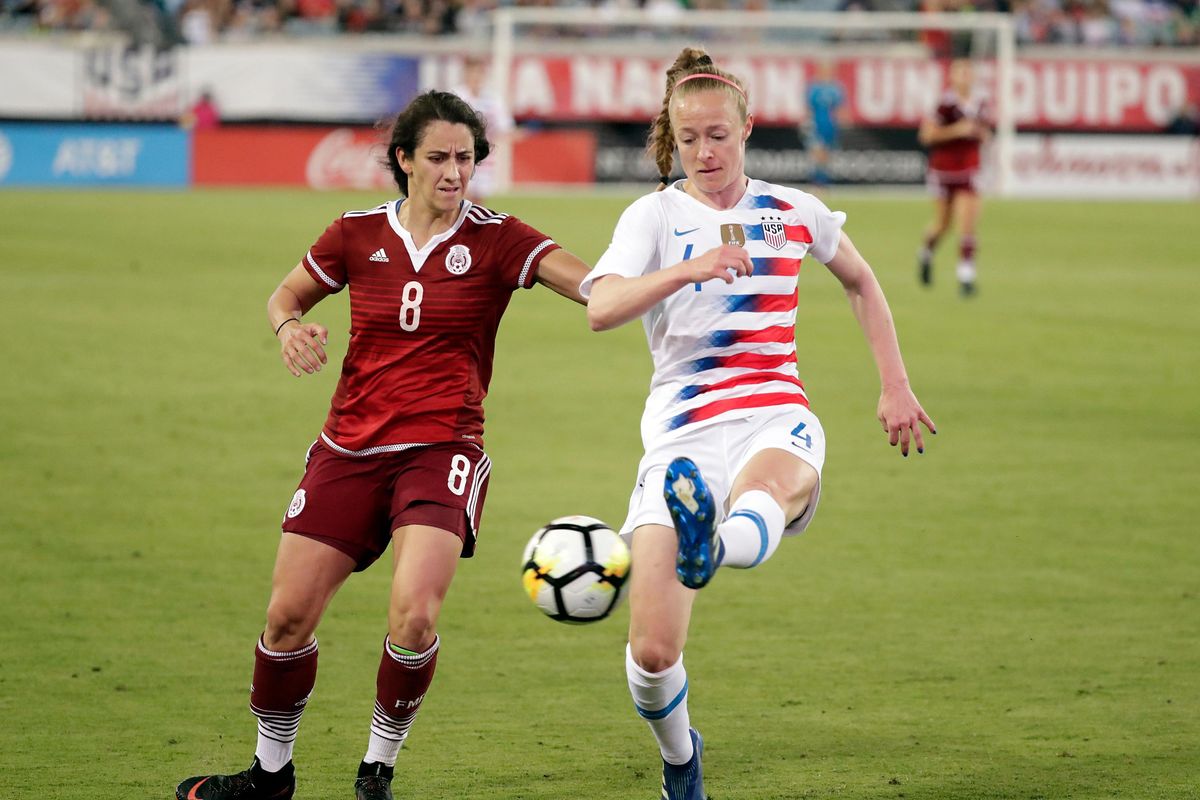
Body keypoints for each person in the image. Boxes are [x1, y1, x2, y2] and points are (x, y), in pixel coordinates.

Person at [174, 90, 590, 800]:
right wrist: (288, 329)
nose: (455, 172)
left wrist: (677, 278)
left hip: (442, 448)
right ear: (405, 160)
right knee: (285, 618)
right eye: (439, 157)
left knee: (415, 613)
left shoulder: (500, 238)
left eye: (466, 157)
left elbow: (596, 288)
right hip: (348, 448)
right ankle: (270, 775)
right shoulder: (355, 233)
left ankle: (376, 769)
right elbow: (285, 296)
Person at [580, 48, 935, 800]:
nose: (704, 153)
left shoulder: (793, 210)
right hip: (680, 438)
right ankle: (681, 758)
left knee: (767, 493)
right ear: (670, 140)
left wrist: (895, 384)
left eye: (718, 135)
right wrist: (687, 268)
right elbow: (601, 309)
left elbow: (861, 282)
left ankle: (711, 541)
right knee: (649, 653)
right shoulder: (653, 216)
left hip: (773, 412)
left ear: (748, 128)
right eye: (688, 140)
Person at [916, 57, 991, 297]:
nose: (965, 77)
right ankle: (926, 253)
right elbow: (927, 136)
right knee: (942, 225)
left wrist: (980, 133)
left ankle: (966, 277)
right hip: (943, 170)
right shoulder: (944, 105)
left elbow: (985, 134)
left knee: (968, 223)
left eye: (969, 72)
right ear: (952, 77)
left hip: (969, 168)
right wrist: (956, 130)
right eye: (961, 72)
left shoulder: (980, 104)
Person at [450, 55, 516, 204]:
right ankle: (458, 226)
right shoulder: (456, 96)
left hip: (484, 158)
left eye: (479, 73)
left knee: (478, 201)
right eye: (473, 72)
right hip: (459, 154)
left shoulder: (493, 99)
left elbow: (504, 127)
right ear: (466, 74)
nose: (476, 77)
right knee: (462, 195)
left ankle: (474, 227)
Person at [802, 59, 846, 190]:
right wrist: (808, 124)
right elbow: (808, 108)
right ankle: (817, 183)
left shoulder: (836, 89)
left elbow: (839, 109)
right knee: (817, 154)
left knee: (826, 156)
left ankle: (823, 183)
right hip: (817, 125)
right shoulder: (814, 88)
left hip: (830, 126)